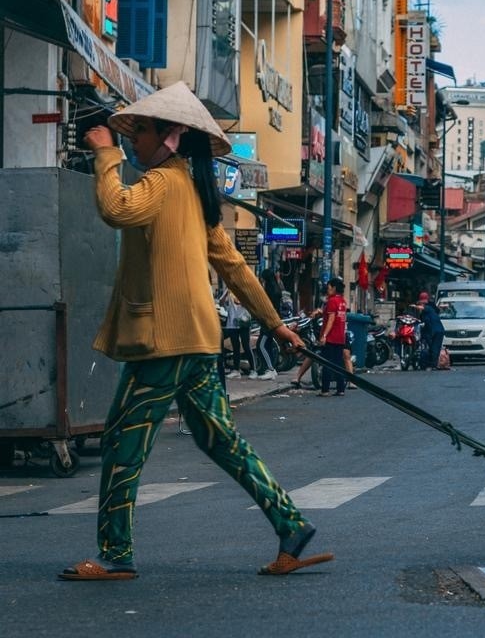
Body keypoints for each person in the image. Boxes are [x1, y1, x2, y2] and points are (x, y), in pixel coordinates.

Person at [65, 81, 330, 580]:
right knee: (221, 441)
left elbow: (117, 209)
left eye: (141, 131)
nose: (133, 139)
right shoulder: (192, 190)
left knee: (122, 443)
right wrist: (274, 324)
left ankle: (116, 553)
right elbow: (235, 266)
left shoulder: (163, 182)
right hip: (199, 340)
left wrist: (105, 154)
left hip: (163, 341)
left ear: (169, 136)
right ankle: (291, 526)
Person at [318, 277, 348, 396]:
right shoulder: (342, 301)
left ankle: (325, 390)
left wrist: (324, 335)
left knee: (327, 363)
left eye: (329, 288)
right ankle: (340, 389)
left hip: (331, 337)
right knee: (338, 363)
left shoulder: (332, 301)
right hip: (340, 337)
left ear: (334, 288)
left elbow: (331, 319)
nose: (327, 290)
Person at [254, 267, 283, 380]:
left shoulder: (271, 292)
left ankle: (270, 369)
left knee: (261, 345)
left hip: (268, 322)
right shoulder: (276, 289)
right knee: (268, 345)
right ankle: (271, 369)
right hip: (271, 322)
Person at [220, 290, 256, 378]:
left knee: (246, 346)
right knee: (235, 347)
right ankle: (236, 370)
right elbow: (221, 302)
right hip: (232, 323)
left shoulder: (243, 289)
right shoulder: (228, 291)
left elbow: (249, 303)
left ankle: (253, 370)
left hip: (244, 321)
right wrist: (226, 294)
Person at [417, 291, 446, 369]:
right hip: (434, 330)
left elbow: (424, 309)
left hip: (435, 330)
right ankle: (431, 363)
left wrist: (415, 306)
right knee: (432, 347)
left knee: (434, 348)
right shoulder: (432, 307)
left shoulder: (428, 307)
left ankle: (433, 364)